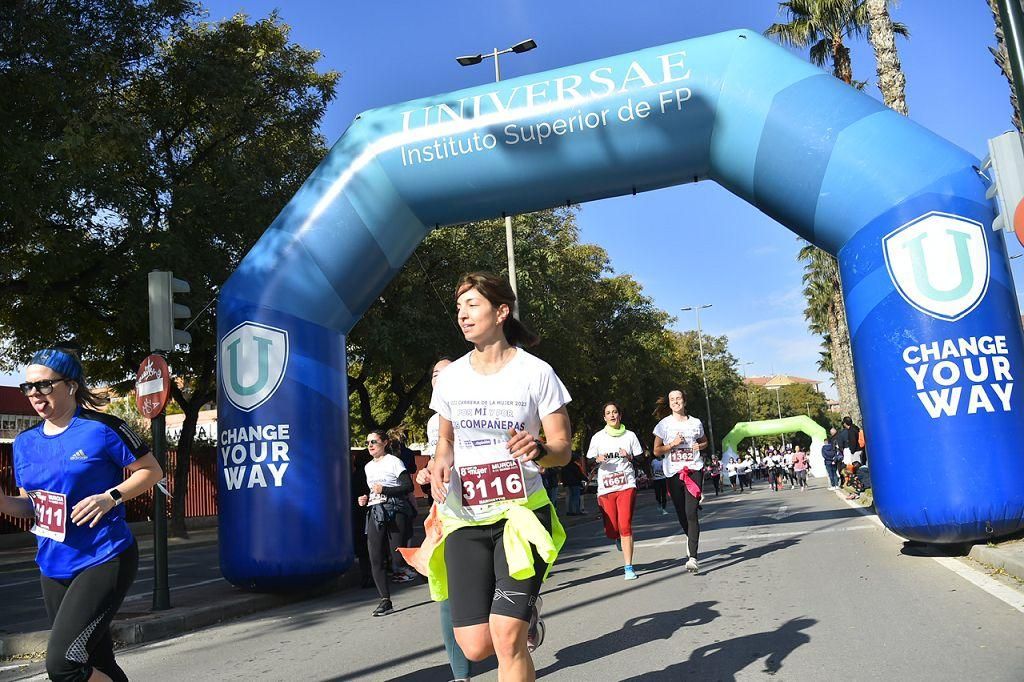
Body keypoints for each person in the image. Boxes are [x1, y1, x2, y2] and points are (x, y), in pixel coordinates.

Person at [428, 272, 572, 681]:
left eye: (472, 305)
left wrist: (540, 450)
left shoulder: (536, 372)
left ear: (501, 311)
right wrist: (441, 458)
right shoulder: (452, 376)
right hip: (466, 517)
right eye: (459, 308)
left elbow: (563, 449)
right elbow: (445, 438)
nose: (463, 315)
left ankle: (519, 619)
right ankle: (527, 614)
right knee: (475, 645)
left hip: (520, 516)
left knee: (507, 637)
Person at [0, 347, 162, 682]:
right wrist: (1, 503)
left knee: (64, 666)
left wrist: (110, 497)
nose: (34, 394)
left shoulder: (103, 428)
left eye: (44, 385)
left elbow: (151, 470)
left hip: (104, 557)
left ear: (71, 386)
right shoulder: (24, 443)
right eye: (28, 387)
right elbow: (31, 506)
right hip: (53, 564)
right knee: (97, 661)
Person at [417, 357, 472, 682]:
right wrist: (428, 473)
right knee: (447, 594)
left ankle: (523, 616)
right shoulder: (432, 424)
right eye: (436, 374)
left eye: (449, 372)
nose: (442, 378)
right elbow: (438, 463)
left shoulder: (478, 407)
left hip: (487, 511)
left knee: (492, 592)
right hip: (448, 514)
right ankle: (461, 674)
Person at [357, 430, 417, 616]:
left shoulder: (393, 462)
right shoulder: (367, 467)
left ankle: (420, 568)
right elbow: (370, 490)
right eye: (367, 442)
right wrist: (364, 498)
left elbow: (408, 486)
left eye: (374, 441)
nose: (370, 445)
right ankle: (385, 600)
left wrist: (385, 489)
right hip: (375, 511)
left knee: (397, 558)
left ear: (385, 443)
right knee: (375, 556)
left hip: (395, 510)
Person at [652, 389, 708, 574]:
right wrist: (672, 445)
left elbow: (704, 442)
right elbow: (657, 451)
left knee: (691, 512)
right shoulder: (663, 425)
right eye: (672, 399)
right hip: (673, 474)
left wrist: (699, 446)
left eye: (678, 398)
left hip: (693, 470)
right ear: (669, 403)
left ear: (684, 400)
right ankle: (690, 538)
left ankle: (693, 557)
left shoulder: (695, 422)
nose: (676, 401)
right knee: (682, 513)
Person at [587, 402, 643, 580]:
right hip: (606, 488)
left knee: (625, 525)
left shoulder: (630, 436)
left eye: (615, 412)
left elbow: (641, 459)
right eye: (608, 413)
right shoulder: (598, 437)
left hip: (626, 485)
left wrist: (629, 456)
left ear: (620, 415)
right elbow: (588, 460)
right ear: (604, 417)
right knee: (612, 530)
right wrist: (597, 459)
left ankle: (628, 567)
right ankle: (617, 537)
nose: (612, 415)